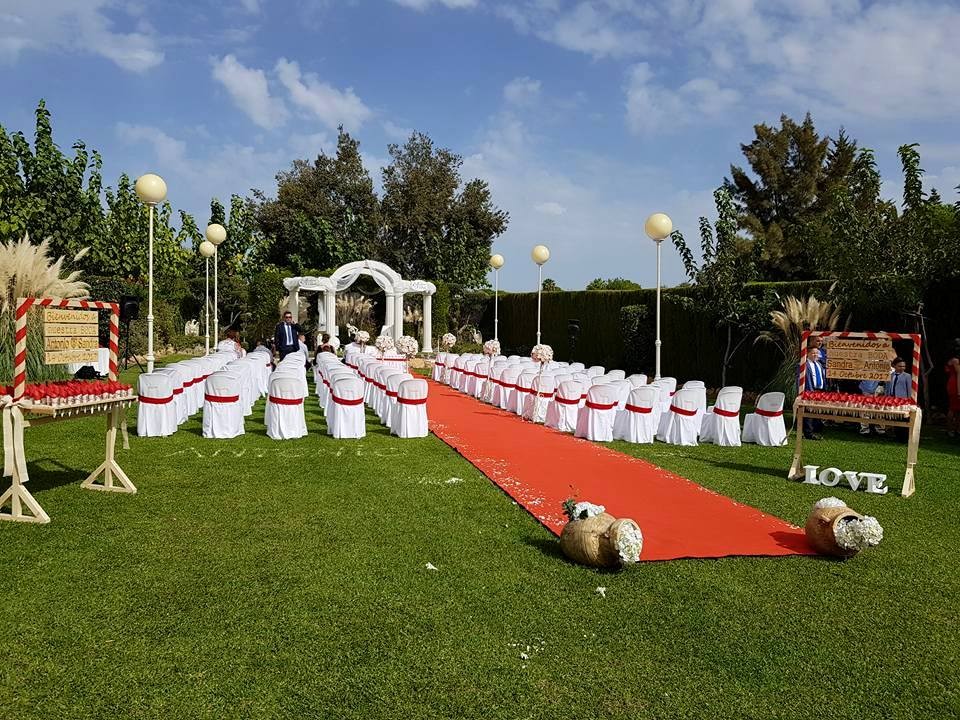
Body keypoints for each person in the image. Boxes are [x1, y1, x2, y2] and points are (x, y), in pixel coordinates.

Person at [803, 343, 826, 440]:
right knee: (808, 412)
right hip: (810, 391)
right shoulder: (804, 365)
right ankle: (808, 432)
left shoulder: (819, 364)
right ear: (808, 354)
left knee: (817, 411)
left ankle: (816, 429)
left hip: (819, 391)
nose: (815, 355)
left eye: (817, 353)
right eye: (813, 353)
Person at [947, 339, 960, 439]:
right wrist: (959, 391)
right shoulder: (956, 360)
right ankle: (950, 429)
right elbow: (959, 374)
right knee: (953, 408)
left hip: (952, 382)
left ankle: (955, 429)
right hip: (956, 384)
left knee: (956, 408)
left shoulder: (951, 360)